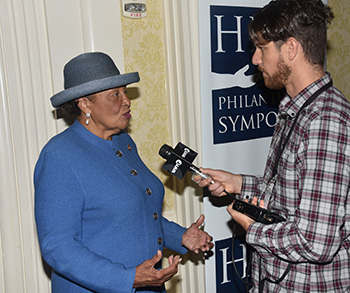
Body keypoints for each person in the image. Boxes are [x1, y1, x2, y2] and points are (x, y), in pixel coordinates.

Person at [195, 0, 350, 292]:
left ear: (290, 49)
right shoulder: (295, 109)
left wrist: (253, 230)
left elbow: (316, 242)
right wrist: (239, 183)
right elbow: (288, 194)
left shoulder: (325, 121)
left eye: (262, 48)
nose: (254, 60)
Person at [34, 51, 213, 293]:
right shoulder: (59, 156)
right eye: (115, 95)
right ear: (85, 103)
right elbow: (58, 246)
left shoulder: (123, 143)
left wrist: (181, 236)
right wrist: (126, 278)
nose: (126, 101)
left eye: (125, 91)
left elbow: (136, 215)